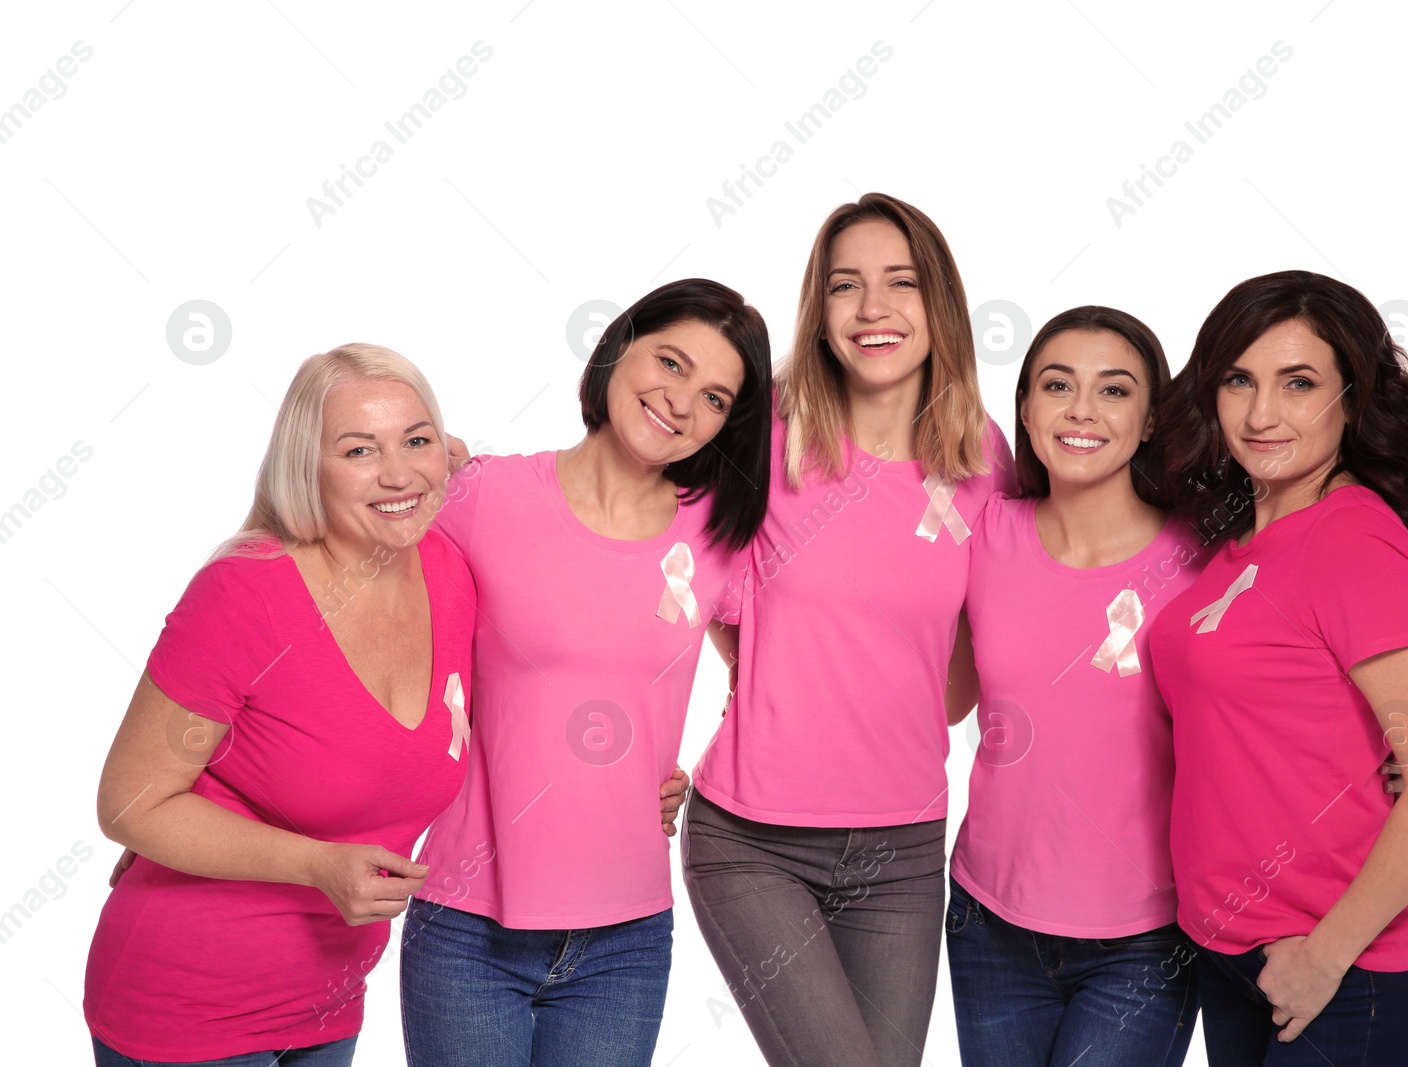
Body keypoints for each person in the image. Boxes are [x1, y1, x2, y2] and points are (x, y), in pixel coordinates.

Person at [398, 278, 772, 1067]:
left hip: (626, 938)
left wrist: (688, 778)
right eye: (669, 362)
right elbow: (339, 590)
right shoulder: (483, 495)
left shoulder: (719, 535)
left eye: (713, 397)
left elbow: (789, 679)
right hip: (468, 923)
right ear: (617, 348)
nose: (679, 402)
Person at [683, 193, 1015, 1067]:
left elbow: (1005, 635)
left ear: (938, 303)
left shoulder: (983, 459)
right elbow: (684, 578)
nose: (873, 310)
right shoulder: (765, 437)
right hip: (753, 841)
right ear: (819, 309)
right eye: (846, 286)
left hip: (903, 849)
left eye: (900, 283)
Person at [84, 345, 476, 1066]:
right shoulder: (247, 594)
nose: (397, 473)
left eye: (416, 441)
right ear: (307, 466)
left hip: (327, 1003)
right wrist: (318, 866)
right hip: (185, 1005)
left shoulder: (452, 569)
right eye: (359, 450)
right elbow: (130, 802)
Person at [1149, 270, 1408, 1065]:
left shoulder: (1352, 538)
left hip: (1341, 974)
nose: (1261, 414)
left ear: (1351, 399)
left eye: (1298, 383)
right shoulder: (1235, 536)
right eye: (1239, 379)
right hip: (1233, 957)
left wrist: (1326, 955)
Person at [946, 307, 1204, 1066]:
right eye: (1057, 385)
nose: (1082, 410)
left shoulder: (1202, 556)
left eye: (1114, 390)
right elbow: (878, 628)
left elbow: (1277, 687)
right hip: (988, 920)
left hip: (1146, 940)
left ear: (1153, 418)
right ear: (1024, 409)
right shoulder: (985, 531)